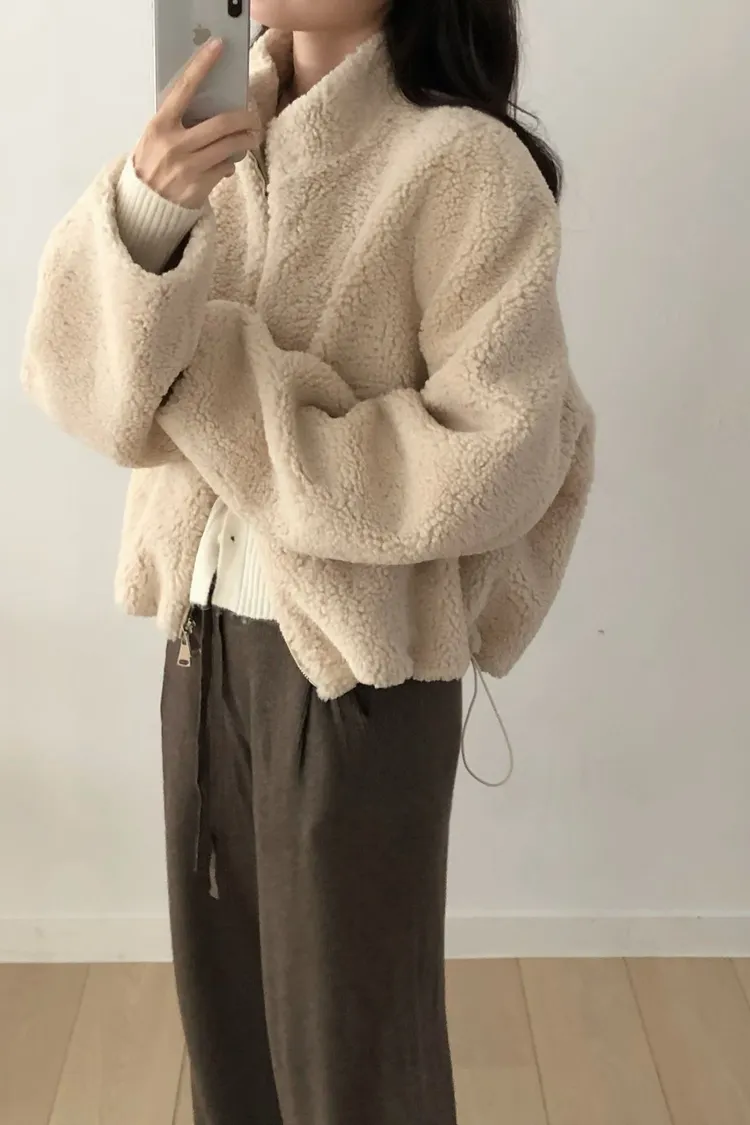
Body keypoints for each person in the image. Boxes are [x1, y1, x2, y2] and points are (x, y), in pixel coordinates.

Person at [22, 0, 594, 1121]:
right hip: (200, 652)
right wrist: (146, 211)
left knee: (354, 1064)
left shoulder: (463, 165)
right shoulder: (211, 140)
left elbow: (501, 457)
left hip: (353, 677)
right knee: (227, 1041)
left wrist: (225, 394)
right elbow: (76, 380)